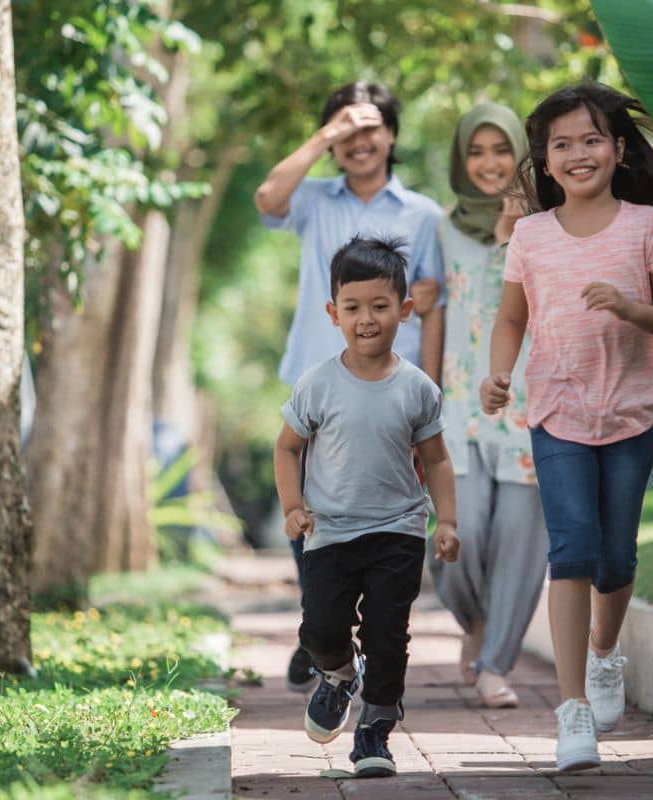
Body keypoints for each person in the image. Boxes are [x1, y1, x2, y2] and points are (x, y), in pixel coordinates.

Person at [479, 83, 653, 772]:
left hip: (631, 405)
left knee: (616, 557)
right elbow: (512, 317)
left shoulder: (645, 226)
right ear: (545, 162)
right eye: (562, 144)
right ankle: (573, 712)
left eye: (592, 139)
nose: (579, 154)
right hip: (557, 408)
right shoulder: (532, 236)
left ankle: (605, 654)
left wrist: (631, 309)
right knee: (570, 550)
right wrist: (499, 372)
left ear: (618, 148)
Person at [254, 81, 446, 693]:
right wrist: (322, 136)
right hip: (317, 378)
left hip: (395, 391)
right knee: (307, 506)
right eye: (346, 130)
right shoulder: (312, 200)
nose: (360, 141)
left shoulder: (423, 215)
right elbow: (267, 196)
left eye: (371, 128)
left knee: (387, 508)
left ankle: (353, 641)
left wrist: (432, 389)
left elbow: (433, 305)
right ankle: (322, 635)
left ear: (392, 134)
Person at [273, 235, 460, 778]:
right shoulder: (318, 384)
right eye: (353, 308)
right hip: (329, 533)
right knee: (320, 631)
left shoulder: (418, 388)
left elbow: (438, 460)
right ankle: (336, 674)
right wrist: (293, 506)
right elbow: (287, 447)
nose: (367, 319)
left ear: (405, 311)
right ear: (333, 314)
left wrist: (445, 520)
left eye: (381, 306)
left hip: (398, 531)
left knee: (387, 634)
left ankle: (376, 726)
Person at [422, 102, 547, 710]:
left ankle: (495, 663)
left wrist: (510, 241)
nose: (490, 164)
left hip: (531, 409)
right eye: (477, 152)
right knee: (456, 536)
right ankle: (473, 621)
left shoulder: (547, 226)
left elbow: (529, 309)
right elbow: (434, 316)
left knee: (523, 543)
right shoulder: (441, 230)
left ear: (521, 154)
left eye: (502, 150)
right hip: (458, 410)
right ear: (461, 160)